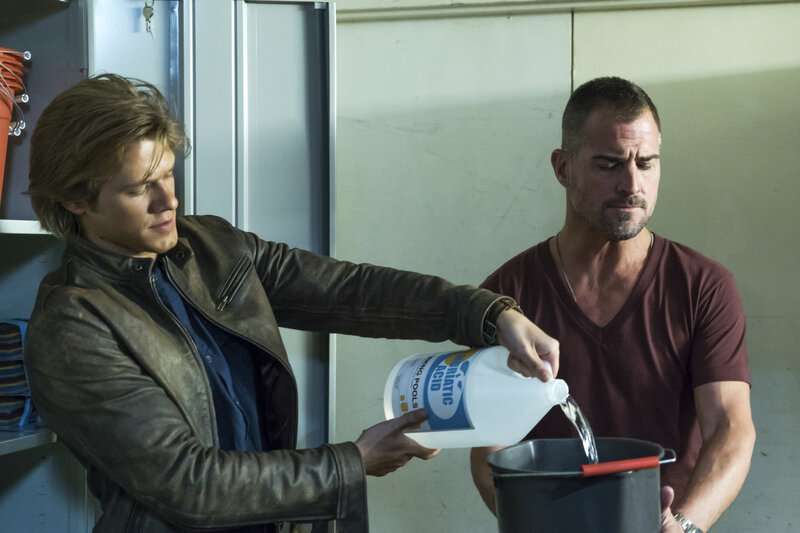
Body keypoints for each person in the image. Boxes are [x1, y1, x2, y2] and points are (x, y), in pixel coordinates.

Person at [22, 74, 559, 533]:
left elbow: (351, 290)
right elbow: (188, 484)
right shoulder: (72, 326)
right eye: (141, 188)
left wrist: (489, 314)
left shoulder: (213, 246)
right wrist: (352, 463)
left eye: (168, 174)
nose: (170, 200)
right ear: (74, 199)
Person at [470, 76, 755, 533]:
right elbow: (489, 451)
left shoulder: (704, 286)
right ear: (563, 168)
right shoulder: (506, 298)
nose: (632, 184)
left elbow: (731, 429)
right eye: (609, 164)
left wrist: (684, 525)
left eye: (646, 163)